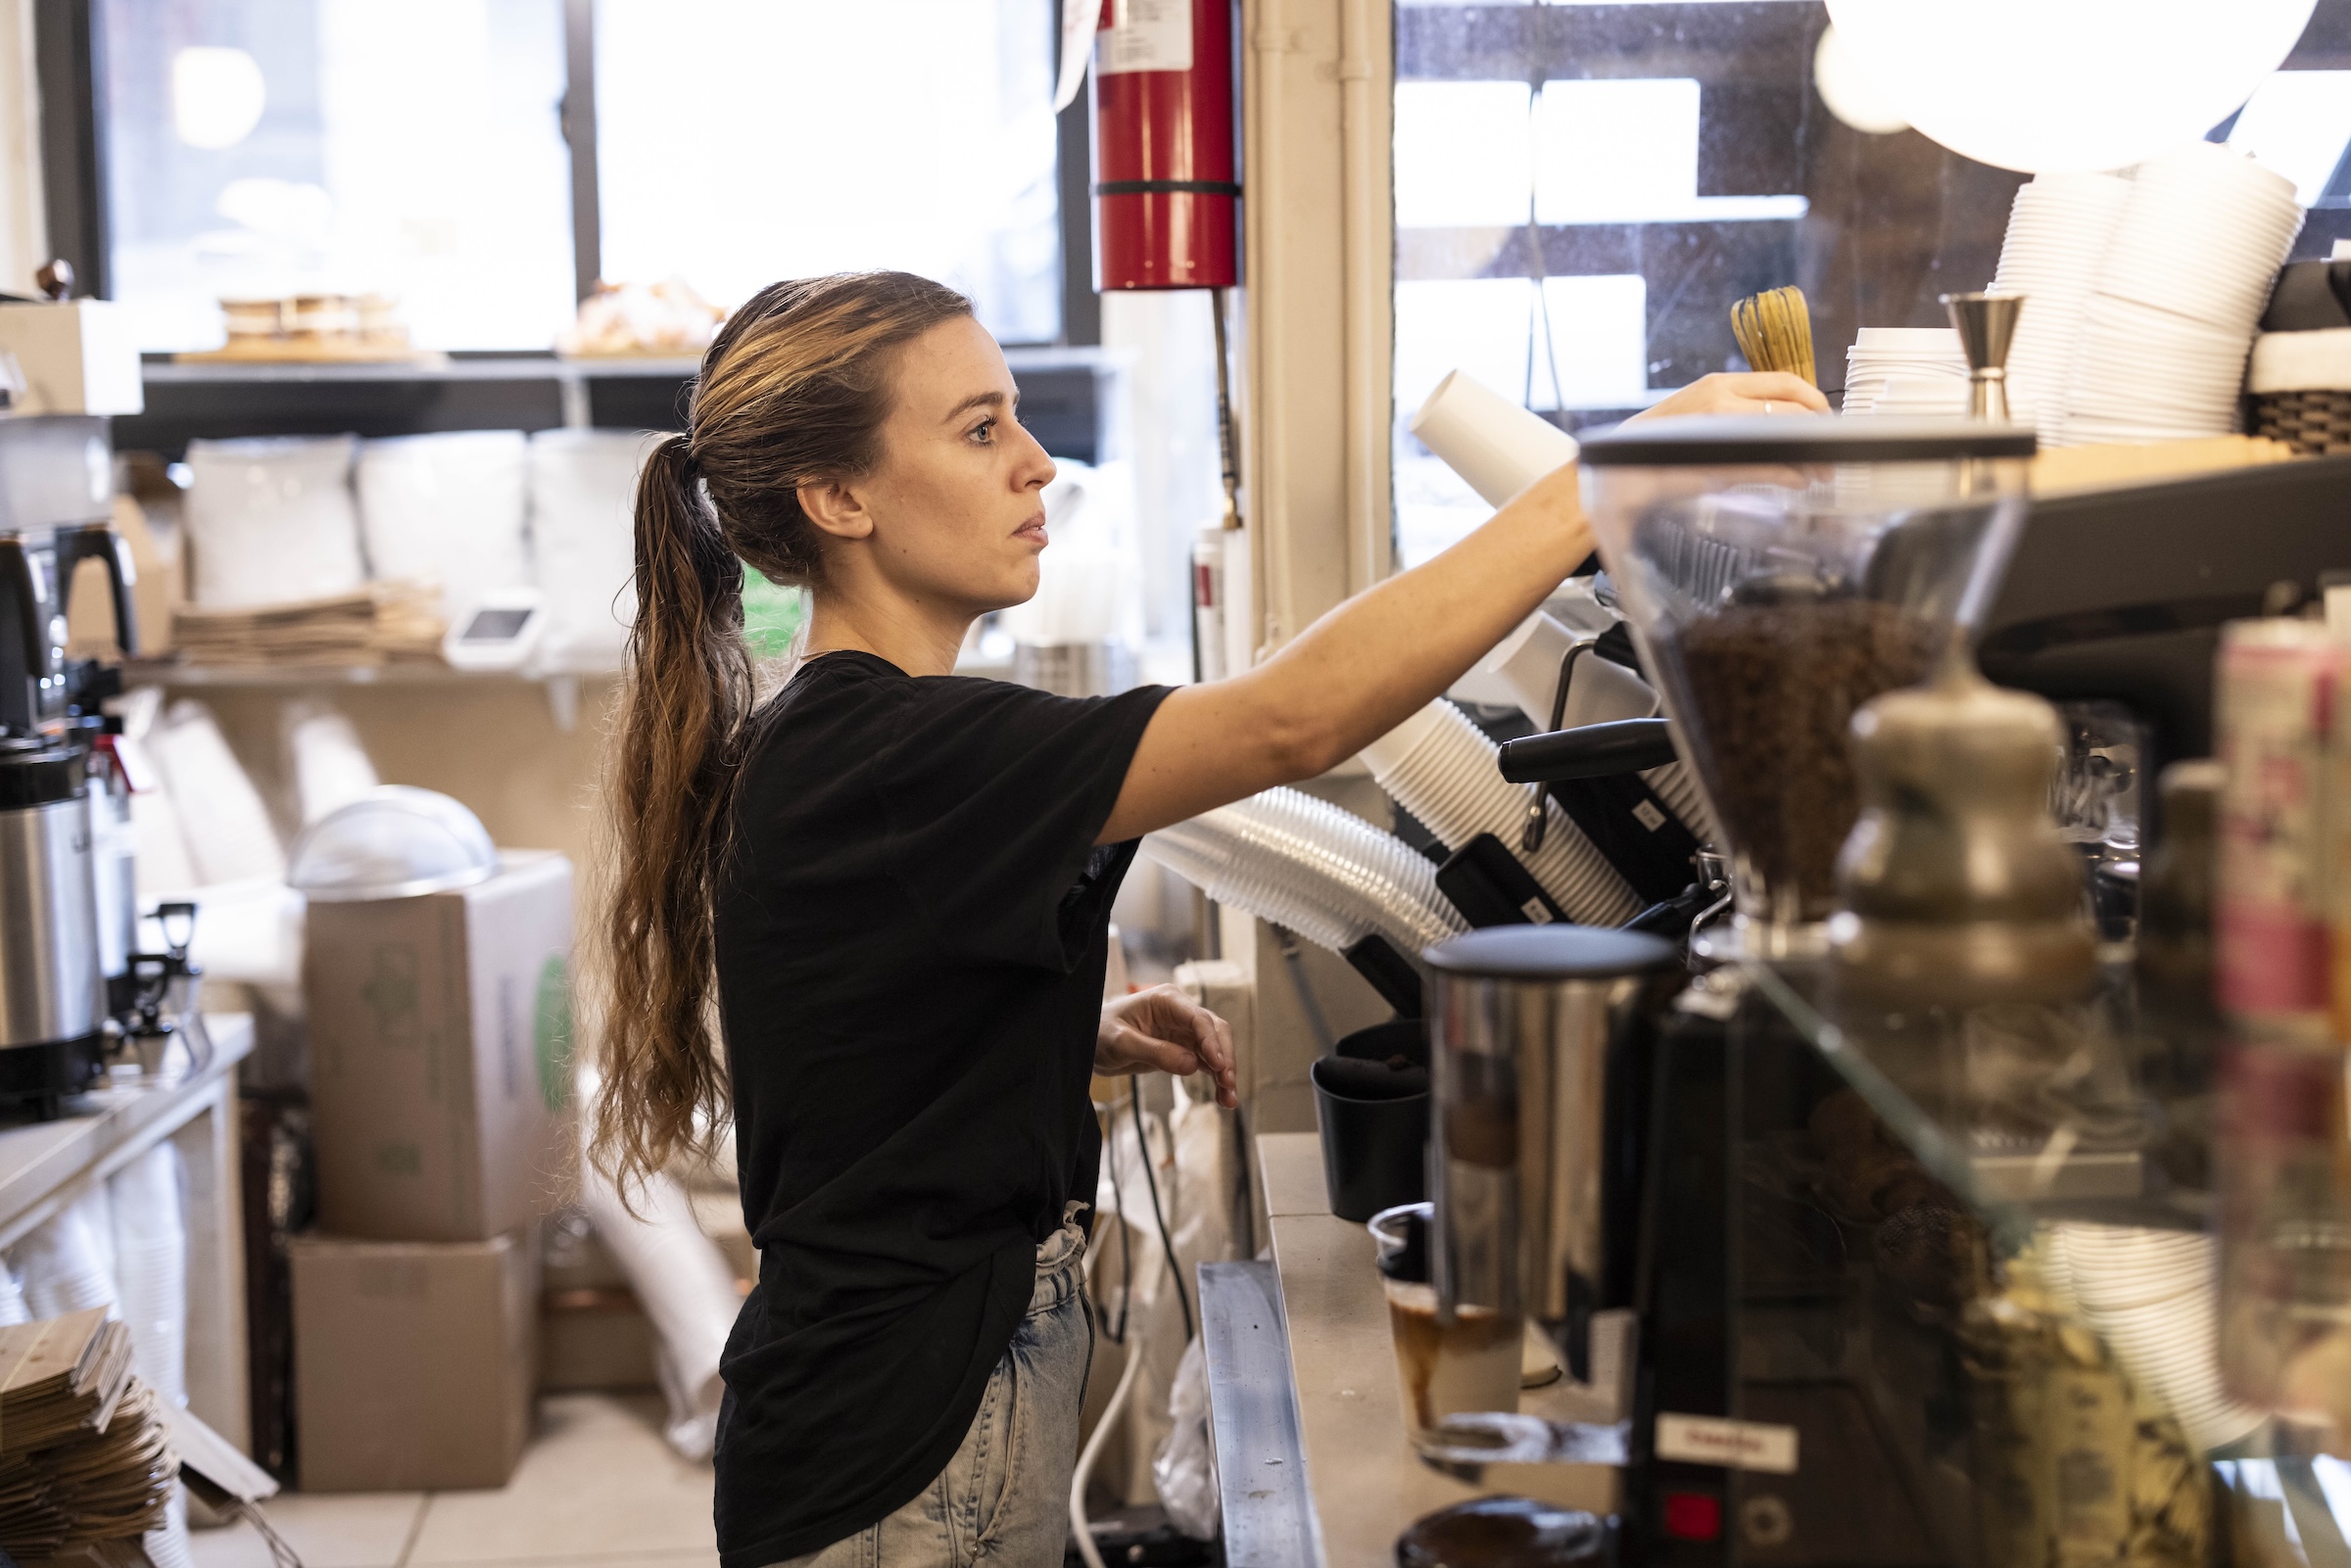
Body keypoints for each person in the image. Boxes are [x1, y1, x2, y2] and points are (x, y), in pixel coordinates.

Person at [590, 269, 1827, 1568]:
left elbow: (851, 1028)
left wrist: (1064, 1033)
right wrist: (1609, 482)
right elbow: (1294, 717)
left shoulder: (847, 737)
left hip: (882, 1413)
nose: (1036, 461)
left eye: (1016, 415)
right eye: (977, 429)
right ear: (840, 500)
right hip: (908, 1449)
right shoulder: (904, 746)